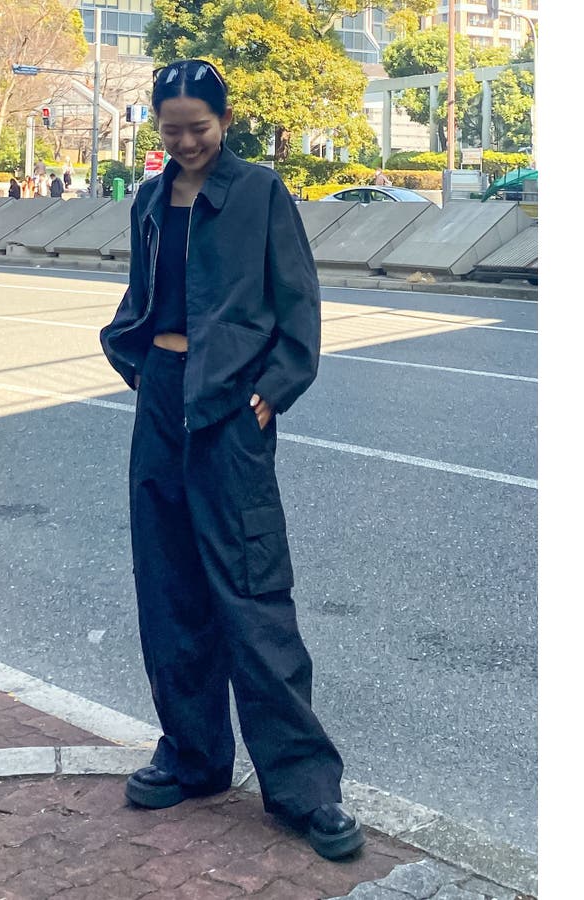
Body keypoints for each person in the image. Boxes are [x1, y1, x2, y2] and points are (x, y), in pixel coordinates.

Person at [99, 58, 364, 862]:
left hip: (232, 415)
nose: (186, 143)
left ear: (226, 121)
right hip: (162, 402)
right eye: (172, 130)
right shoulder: (149, 200)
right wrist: (141, 366)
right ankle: (193, 756)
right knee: (169, 587)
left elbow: (298, 306)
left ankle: (305, 788)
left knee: (253, 596)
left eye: (200, 128)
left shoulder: (260, 193)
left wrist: (271, 392)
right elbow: (141, 300)